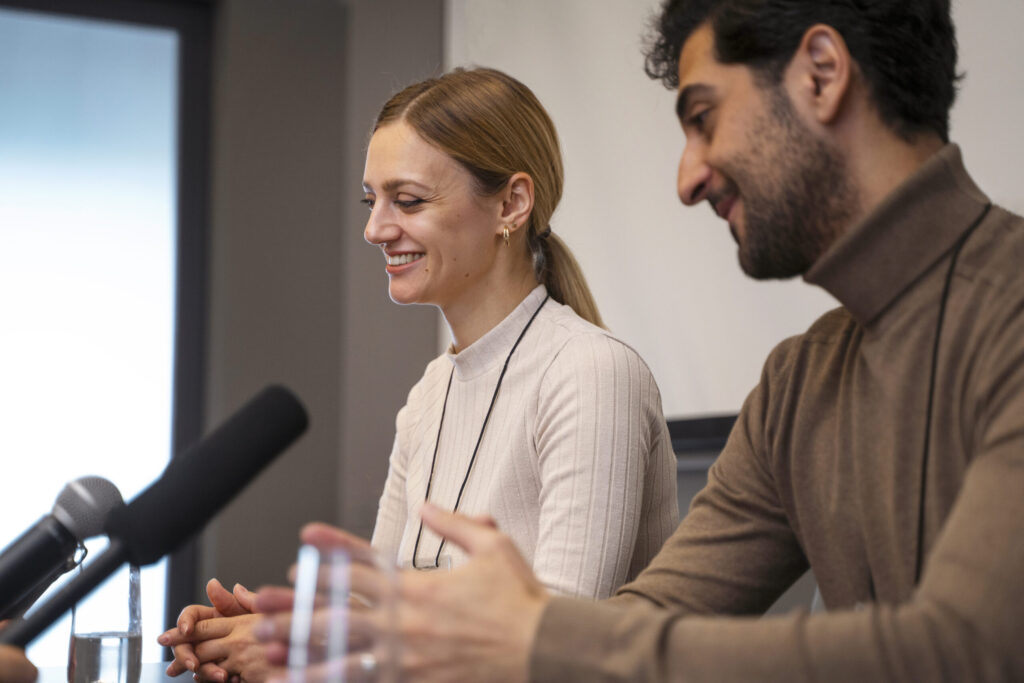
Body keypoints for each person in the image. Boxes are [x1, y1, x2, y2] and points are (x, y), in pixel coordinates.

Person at [250, 0, 1024, 681]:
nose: (687, 177)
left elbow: (965, 650)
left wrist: (528, 633)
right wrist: (334, 639)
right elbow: (648, 617)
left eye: (703, 118)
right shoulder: (800, 383)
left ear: (822, 74)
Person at [158, 67, 679, 682]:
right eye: (371, 200)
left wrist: (315, 652)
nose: (375, 228)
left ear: (511, 203)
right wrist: (277, 631)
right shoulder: (431, 392)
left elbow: (557, 649)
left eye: (407, 200)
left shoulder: (592, 375)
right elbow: (383, 610)